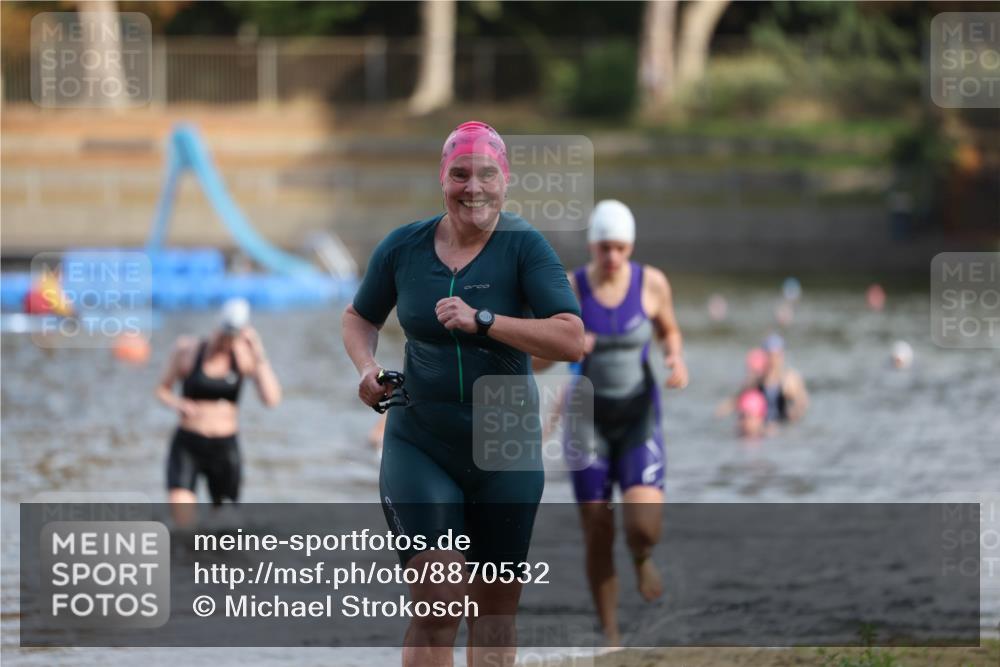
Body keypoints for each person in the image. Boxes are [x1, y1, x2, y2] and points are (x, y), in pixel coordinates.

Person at [341, 121, 584, 667]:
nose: (473, 187)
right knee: (439, 603)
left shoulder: (525, 248)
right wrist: (367, 368)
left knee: (494, 616)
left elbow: (571, 338)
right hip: (420, 443)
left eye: (486, 174)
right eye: (460, 174)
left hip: (505, 449)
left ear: (506, 180)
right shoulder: (403, 247)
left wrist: (485, 320)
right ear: (442, 179)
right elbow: (359, 316)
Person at [537, 199, 689, 647]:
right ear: (592, 246)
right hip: (587, 424)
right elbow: (538, 358)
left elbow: (669, 329)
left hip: (638, 417)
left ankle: (641, 557)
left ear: (631, 246)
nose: (613, 257)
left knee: (643, 527)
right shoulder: (571, 289)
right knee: (597, 532)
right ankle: (611, 636)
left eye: (621, 248)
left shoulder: (652, 283)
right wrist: (566, 347)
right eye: (605, 248)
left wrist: (675, 357)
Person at [156, 298, 281, 525]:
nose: (226, 342)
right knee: (183, 526)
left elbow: (271, 399)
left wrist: (258, 351)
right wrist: (179, 403)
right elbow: (161, 390)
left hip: (224, 449)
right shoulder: (188, 349)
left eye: (232, 336)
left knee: (225, 526)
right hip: (188, 445)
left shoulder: (244, 357)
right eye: (224, 334)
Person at [758, 333, 808, 422]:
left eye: (776, 355)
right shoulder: (758, 378)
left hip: (783, 423)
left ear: (782, 355)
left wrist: (793, 402)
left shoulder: (791, 378)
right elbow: (737, 400)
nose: (773, 359)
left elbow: (803, 403)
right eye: (769, 355)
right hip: (764, 423)